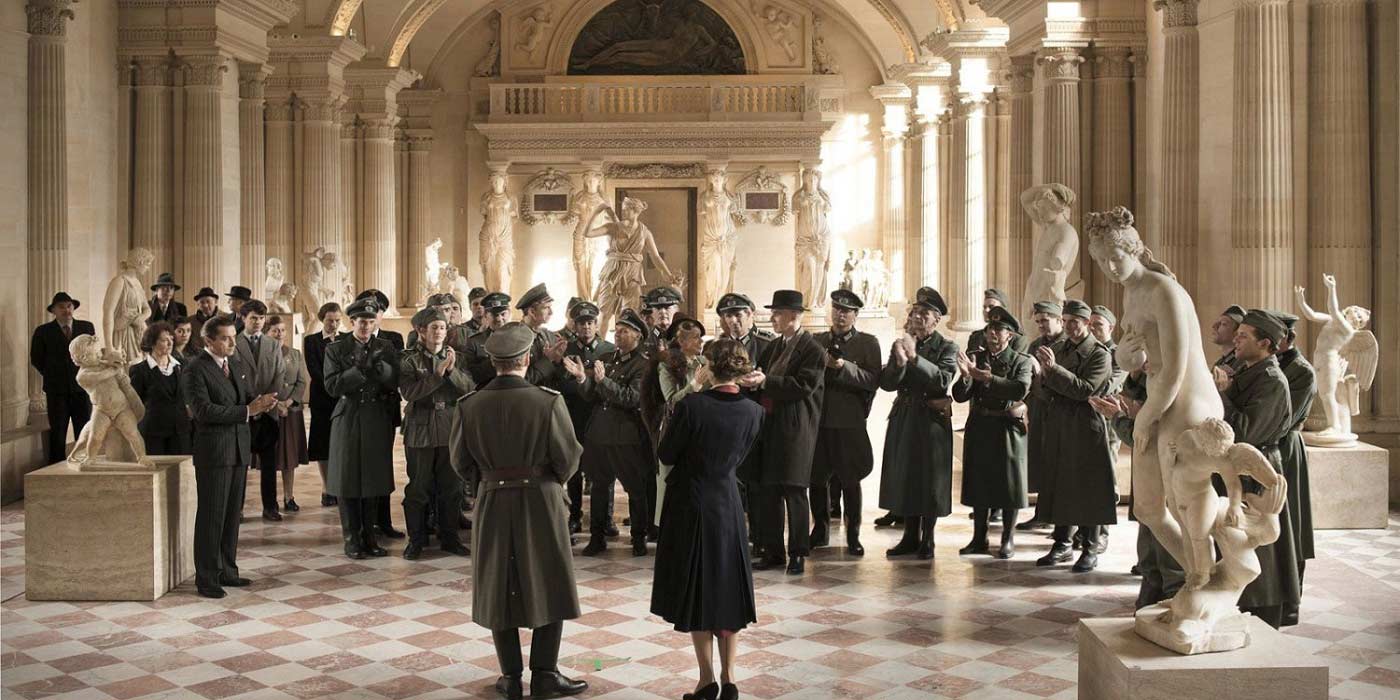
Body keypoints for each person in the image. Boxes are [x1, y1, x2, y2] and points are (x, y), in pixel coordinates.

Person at [449, 323, 588, 700]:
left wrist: (489, 479)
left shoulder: (469, 404)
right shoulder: (548, 401)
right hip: (541, 499)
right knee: (550, 579)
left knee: (498, 582)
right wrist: (549, 481)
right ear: (527, 358)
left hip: (493, 499)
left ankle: (510, 677)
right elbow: (568, 458)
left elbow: (460, 462)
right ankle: (545, 674)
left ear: (494, 361)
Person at [651, 338, 764, 700]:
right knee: (727, 587)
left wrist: (693, 390)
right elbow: (742, 456)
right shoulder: (754, 411)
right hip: (727, 501)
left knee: (698, 589)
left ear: (709, 368)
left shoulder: (693, 406)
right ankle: (729, 679)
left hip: (691, 502)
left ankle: (706, 679)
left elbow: (666, 453)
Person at [182, 315, 279, 598]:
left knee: (231, 516)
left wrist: (261, 403)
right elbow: (203, 411)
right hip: (214, 452)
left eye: (233, 337)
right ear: (208, 340)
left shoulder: (234, 364)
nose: (232, 343)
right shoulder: (194, 369)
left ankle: (228, 571)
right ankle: (207, 578)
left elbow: (245, 399)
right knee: (211, 516)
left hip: (238, 448)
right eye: (225, 338)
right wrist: (248, 410)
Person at [1215, 309, 1301, 628]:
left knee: (1258, 553)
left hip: (1257, 474)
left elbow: (1245, 432)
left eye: (1243, 335)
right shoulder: (1249, 371)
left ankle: (1262, 619)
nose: (1236, 339)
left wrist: (1222, 394)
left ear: (1265, 343)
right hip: (1240, 469)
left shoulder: (1272, 381)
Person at [741, 290, 825, 575]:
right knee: (770, 491)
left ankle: (798, 553)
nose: (773, 318)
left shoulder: (813, 350)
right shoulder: (775, 345)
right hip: (770, 428)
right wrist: (753, 380)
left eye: (777, 313)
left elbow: (803, 386)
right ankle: (773, 551)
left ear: (794, 315)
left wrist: (765, 381)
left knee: (795, 490)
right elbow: (763, 374)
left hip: (795, 429)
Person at [1033, 299, 1117, 573]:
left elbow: (1085, 390)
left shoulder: (1099, 354)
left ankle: (1090, 548)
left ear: (1087, 323)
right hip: (1059, 423)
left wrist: (1053, 370)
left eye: (1074, 322)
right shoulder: (1058, 349)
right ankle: (1062, 544)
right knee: (1060, 484)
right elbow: (1043, 391)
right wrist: (1043, 376)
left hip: (1085, 426)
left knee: (1088, 488)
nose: (1069, 327)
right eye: (1066, 321)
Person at [878, 287, 958, 560]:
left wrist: (915, 359)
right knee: (906, 476)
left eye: (925, 313)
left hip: (930, 420)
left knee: (930, 480)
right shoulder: (901, 343)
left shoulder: (947, 346)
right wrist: (900, 364)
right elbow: (887, 384)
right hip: (904, 416)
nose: (918, 317)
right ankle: (909, 536)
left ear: (936, 319)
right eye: (915, 312)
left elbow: (943, 381)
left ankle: (929, 539)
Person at [568, 311, 654, 556]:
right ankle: (597, 537)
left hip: (626, 436)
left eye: (624, 331)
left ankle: (638, 538)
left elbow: (631, 398)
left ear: (637, 335)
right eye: (617, 330)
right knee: (598, 487)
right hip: (599, 434)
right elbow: (591, 396)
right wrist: (582, 378)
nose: (618, 335)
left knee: (635, 489)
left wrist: (603, 381)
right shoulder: (607, 358)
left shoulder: (643, 364)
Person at [324, 298, 401, 560]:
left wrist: (382, 370)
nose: (366, 326)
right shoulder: (336, 348)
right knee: (347, 479)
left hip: (376, 416)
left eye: (370, 321)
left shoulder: (385, 347)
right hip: (348, 415)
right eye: (361, 322)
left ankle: (370, 536)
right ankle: (351, 539)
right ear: (352, 322)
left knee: (373, 478)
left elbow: (395, 381)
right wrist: (357, 370)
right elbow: (331, 386)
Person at [953, 307, 1032, 559]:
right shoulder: (976, 357)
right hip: (981, 425)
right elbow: (960, 395)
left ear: (1010, 335)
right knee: (979, 482)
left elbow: (1019, 389)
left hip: (1007, 428)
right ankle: (979, 538)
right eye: (990, 329)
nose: (993, 334)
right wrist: (966, 377)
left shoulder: (1021, 360)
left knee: (1010, 484)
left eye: (999, 330)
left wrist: (988, 379)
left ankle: (1007, 539)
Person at [399, 307, 475, 559]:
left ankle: (450, 538)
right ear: (421, 331)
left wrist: (451, 371)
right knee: (418, 488)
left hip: (449, 427)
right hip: (420, 429)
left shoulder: (456, 358)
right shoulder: (409, 359)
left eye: (442, 327)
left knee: (451, 487)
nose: (440, 332)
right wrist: (437, 375)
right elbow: (409, 393)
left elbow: (469, 388)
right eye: (434, 327)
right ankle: (416, 540)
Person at [810, 289, 881, 555]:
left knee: (851, 480)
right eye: (837, 309)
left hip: (849, 422)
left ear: (855, 315)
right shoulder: (816, 341)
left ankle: (853, 535)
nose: (841, 315)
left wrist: (843, 367)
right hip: (819, 421)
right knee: (817, 479)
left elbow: (872, 381)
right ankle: (819, 531)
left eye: (847, 311)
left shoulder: (867, 343)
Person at [714, 292, 776, 547]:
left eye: (738, 315)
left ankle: (760, 538)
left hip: (755, 423)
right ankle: (732, 537)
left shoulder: (766, 344)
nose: (733, 321)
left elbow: (771, 383)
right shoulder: (718, 347)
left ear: (750, 315)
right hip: (725, 424)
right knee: (729, 483)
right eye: (727, 316)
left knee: (757, 485)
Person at [558, 301, 615, 534]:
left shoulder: (608, 350)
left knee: (604, 470)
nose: (587, 327)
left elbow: (610, 385)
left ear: (597, 324)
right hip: (575, 417)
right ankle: (575, 515)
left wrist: (585, 379)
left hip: (600, 416)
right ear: (574, 325)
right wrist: (587, 380)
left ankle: (606, 518)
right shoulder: (567, 350)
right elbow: (563, 385)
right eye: (582, 323)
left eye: (590, 322)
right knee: (575, 470)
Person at [1273, 310, 1315, 627]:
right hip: (1268, 445)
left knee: (1293, 524)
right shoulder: (1268, 364)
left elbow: (1284, 418)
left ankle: (1291, 602)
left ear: (1288, 338)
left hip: (1286, 449)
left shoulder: (1301, 371)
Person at [354, 288, 406, 540]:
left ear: (382, 314)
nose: (370, 316)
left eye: (376, 311)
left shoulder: (393, 339)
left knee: (383, 465)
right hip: (358, 413)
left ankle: (383, 521)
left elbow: (396, 375)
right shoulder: (348, 341)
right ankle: (364, 523)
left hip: (384, 409)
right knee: (360, 467)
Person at [652, 317, 709, 528]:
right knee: (669, 483)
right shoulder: (667, 366)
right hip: (674, 431)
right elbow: (671, 401)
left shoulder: (704, 363)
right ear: (682, 342)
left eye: (700, 338)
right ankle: (667, 528)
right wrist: (694, 385)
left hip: (700, 431)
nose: (701, 342)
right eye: (696, 338)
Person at [1016, 301, 1065, 532]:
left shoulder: (1066, 345)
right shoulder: (1036, 344)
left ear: (1059, 320)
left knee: (1059, 464)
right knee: (1041, 460)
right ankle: (1042, 513)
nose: (1041, 325)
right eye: (1038, 321)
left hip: (1059, 409)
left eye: (1045, 320)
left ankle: (1061, 520)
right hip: (1038, 408)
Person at [236, 300, 288, 521]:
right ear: (243, 318)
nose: (257, 322)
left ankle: (270, 507)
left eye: (261, 318)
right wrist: (252, 405)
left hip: (268, 411)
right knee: (240, 464)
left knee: (269, 464)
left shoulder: (272, 344)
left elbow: (279, 374)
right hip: (242, 411)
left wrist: (266, 402)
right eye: (253, 318)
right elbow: (232, 377)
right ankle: (237, 509)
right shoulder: (234, 342)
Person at [30, 292, 96, 465]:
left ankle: (84, 463)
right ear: (53, 310)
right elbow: (36, 358)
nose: (66, 310)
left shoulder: (86, 328)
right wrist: (53, 374)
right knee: (58, 432)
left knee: (84, 429)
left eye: (69, 306)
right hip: (56, 391)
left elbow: (93, 353)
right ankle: (56, 468)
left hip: (82, 388)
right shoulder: (43, 331)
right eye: (61, 307)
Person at [266, 315, 309, 512]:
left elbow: (301, 382)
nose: (280, 334)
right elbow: (259, 383)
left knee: (289, 457)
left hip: (291, 412)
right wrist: (276, 405)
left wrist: (289, 402)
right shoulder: (262, 355)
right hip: (269, 411)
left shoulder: (295, 354)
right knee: (270, 458)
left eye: (282, 330)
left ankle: (288, 496)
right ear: (267, 333)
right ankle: (270, 501)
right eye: (275, 330)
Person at [129, 321, 191, 455]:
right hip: (153, 433)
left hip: (180, 431)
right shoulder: (139, 370)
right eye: (164, 340)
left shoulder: (183, 366)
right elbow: (134, 404)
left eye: (171, 339)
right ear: (152, 343)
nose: (170, 343)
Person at [305, 302, 343, 507]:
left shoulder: (347, 339)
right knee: (323, 445)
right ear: (322, 319)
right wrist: (334, 387)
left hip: (343, 400)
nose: (334, 324)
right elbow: (315, 371)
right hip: (322, 399)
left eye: (337, 320)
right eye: (330, 320)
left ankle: (339, 486)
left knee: (341, 444)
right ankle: (327, 488)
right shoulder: (311, 341)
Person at [518, 283, 569, 386]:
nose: (551, 312)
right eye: (546, 307)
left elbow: (559, 379)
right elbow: (518, 382)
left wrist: (559, 361)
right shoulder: (515, 338)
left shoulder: (548, 335)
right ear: (532, 312)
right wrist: (548, 360)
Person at [463, 292, 513, 386]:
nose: (499, 319)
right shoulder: (474, 342)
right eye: (494, 315)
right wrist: (495, 359)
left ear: (509, 313)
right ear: (486, 315)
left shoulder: (519, 338)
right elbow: (471, 376)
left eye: (503, 314)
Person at [965, 289, 1030, 355]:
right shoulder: (976, 337)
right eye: (984, 307)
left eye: (991, 307)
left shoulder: (1017, 339)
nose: (986, 310)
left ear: (1003, 310)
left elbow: (1018, 360)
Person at [1211, 304, 1246, 376]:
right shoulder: (1220, 362)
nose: (1214, 326)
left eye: (1223, 324)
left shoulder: (1242, 364)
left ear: (1237, 332)